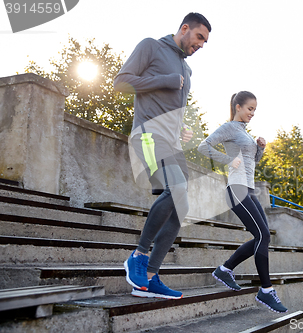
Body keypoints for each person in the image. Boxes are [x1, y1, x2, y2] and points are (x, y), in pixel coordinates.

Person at [113, 13, 211, 299]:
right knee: (176, 188)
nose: (202, 45)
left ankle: (151, 277)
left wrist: (182, 129)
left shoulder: (187, 71)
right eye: (199, 37)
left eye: (205, 41)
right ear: (184, 29)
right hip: (147, 134)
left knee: (180, 208)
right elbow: (121, 82)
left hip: (171, 143)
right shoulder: (150, 47)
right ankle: (138, 257)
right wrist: (164, 80)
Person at [197, 91, 288, 313]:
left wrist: (261, 148)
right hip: (236, 188)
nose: (253, 113)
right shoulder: (229, 127)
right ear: (238, 107)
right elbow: (203, 146)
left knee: (262, 236)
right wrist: (228, 160)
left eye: (255, 110)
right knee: (263, 236)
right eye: (250, 108)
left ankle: (225, 269)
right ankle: (266, 290)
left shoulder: (244, 132)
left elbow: (251, 162)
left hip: (247, 188)